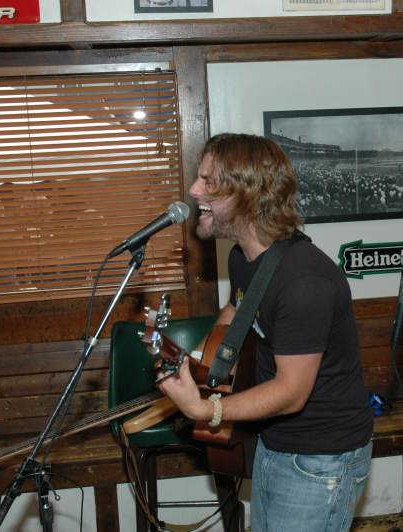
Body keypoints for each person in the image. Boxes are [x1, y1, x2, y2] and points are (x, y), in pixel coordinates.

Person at [157, 133, 373, 531]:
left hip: (321, 457)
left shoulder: (304, 282)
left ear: (247, 194)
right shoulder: (245, 258)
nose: (193, 190)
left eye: (208, 181)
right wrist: (201, 371)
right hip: (275, 443)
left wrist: (207, 410)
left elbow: (291, 393)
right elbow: (233, 312)